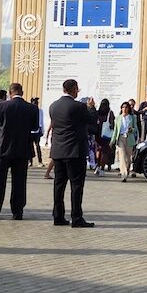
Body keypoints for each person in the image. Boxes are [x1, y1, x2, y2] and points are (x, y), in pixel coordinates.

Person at [0, 83, 35, 221]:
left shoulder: (1, 106)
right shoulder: (31, 108)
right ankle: (18, 212)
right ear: (22, 92)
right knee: (19, 182)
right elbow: (35, 128)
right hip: (22, 150)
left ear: (9, 93)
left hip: (1, 149)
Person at [49, 80, 94, 228]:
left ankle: (58, 216)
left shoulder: (53, 106)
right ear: (74, 89)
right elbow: (92, 121)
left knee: (58, 185)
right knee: (76, 186)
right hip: (75, 151)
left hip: (58, 151)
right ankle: (76, 218)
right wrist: (91, 108)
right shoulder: (79, 106)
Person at [111, 101, 141, 181]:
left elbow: (136, 129)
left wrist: (132, 129)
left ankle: (126, 171)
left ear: (129, 108)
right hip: (120, 138)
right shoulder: (118, 118)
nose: (124, 109)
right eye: (123, 107)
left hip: (129, 138)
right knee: (122, 157)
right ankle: (123, 174)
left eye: (126, 107)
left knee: (128, 158)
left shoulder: (133, 117)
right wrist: (112, 140)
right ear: (121, 108)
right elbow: (115, 130)